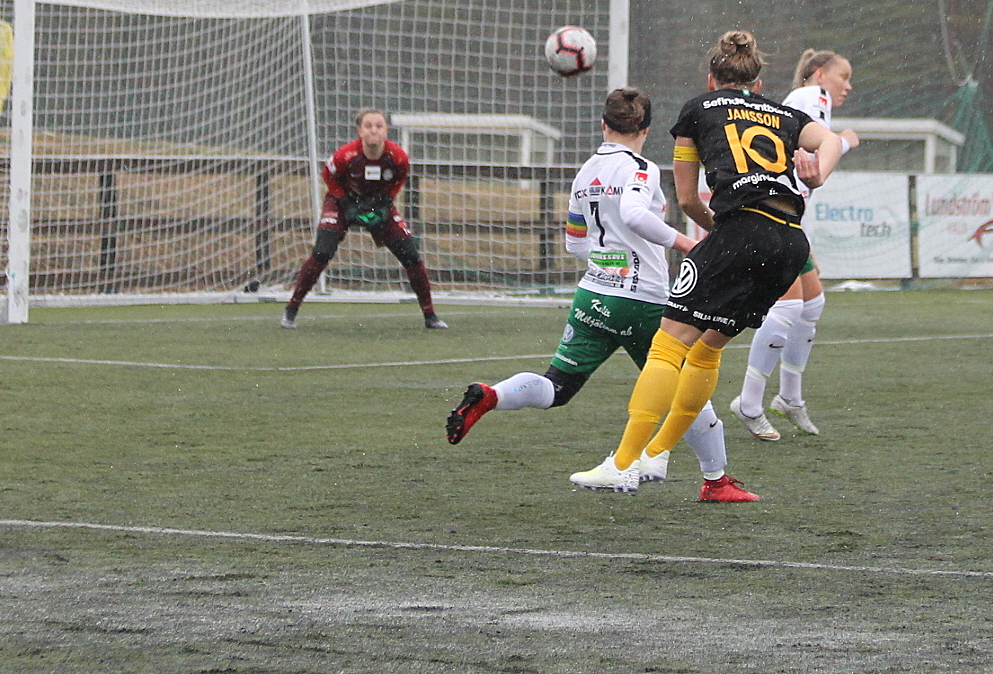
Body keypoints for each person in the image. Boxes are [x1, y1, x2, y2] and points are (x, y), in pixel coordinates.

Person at [444, 87, 757, 502]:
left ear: (603, 124)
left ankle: (492, 395)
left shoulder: (586, 172)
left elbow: (574, 242)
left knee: (557, 387)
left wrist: (608, 262)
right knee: (687, 388)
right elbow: (633, 214)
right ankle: (716, 482)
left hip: (593, 297)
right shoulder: (641, 168)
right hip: (643, 300)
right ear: (646, 130)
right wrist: (685, 243)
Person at [580, 30, 844, 495]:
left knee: (668, 346)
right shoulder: (783, 113)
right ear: (758, 85)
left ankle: (622, 464)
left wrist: (719, 230)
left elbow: (687, 198)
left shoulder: (697, 109)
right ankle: (657, 454)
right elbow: (832, 141)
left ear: (710, 78)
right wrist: (818, 172)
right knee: (707, 350)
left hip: (741, 229)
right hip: (789, 241)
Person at [730, 49, 860, 441]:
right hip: (771, 215)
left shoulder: (801, 100)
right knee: (787, 306)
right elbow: (814, 155)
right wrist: (845, 142)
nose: (848, 86)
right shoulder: (812, 97)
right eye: (843, 76)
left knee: (812, 302)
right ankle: (749, 401)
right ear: (819, 74)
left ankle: (789, 397)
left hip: (785, 216)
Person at [282, 109, 446, 330]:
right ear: (360, 131)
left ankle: (430, 315)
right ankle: (291, 309)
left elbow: (399, 179)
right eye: (368, 126)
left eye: (379, 126)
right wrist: (345, 201)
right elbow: (328, 176)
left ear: (386, 131)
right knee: (322, 252)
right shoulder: (346, 155)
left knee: (411, 255)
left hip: (377, 203)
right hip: (342, 202)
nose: (374, 130)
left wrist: (387, 202)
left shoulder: (398, 157)